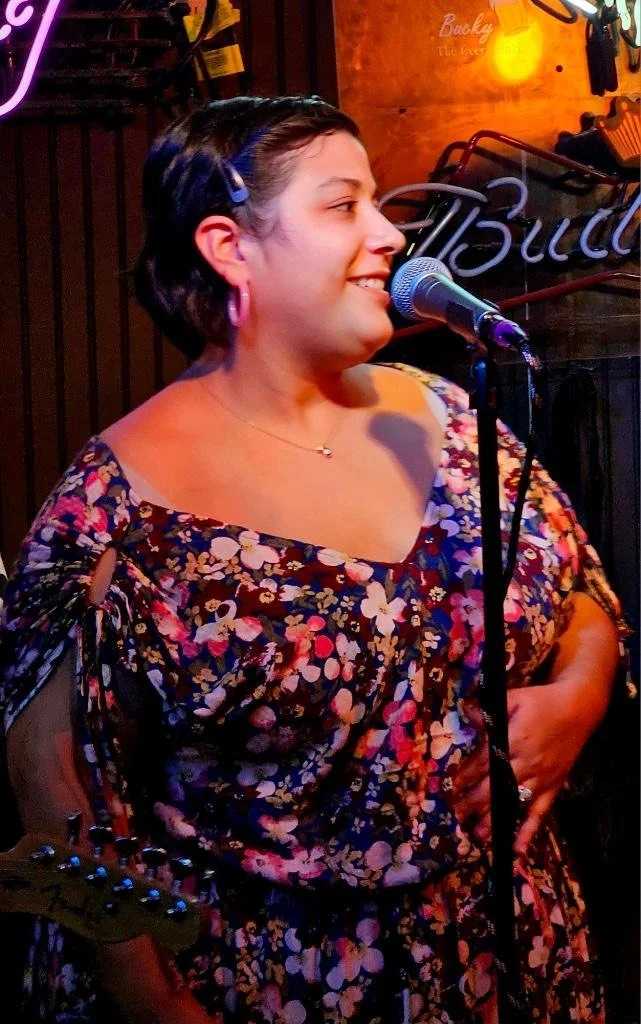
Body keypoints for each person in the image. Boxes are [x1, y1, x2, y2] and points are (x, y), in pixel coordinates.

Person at [0, 95, 627, 1024]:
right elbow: (55, 798)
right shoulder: (116, 510)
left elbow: (577, 593)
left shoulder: (449, 421)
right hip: (267, 986)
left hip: (506, 954)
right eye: (343, 206)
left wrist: (577, 693)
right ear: (229, 247)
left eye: (376, 203)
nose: (388, 235)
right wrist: (157, 1006)